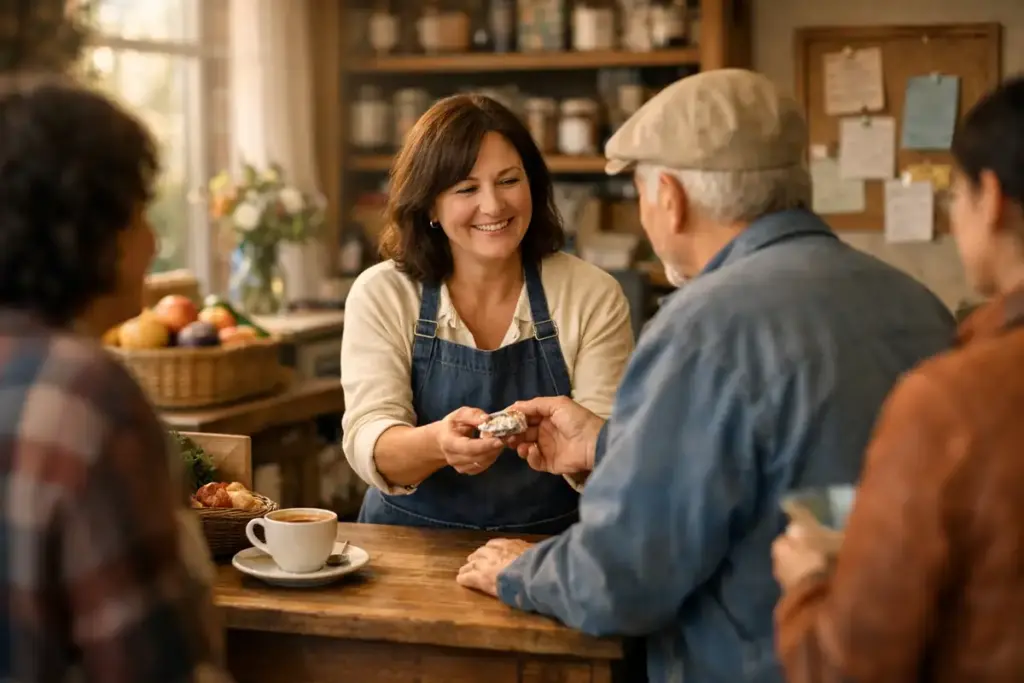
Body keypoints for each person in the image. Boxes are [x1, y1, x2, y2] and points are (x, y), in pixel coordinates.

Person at [456, 69, 957, 683]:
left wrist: (520, 572)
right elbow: (785, 456)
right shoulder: (917, 303)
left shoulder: (704, 325)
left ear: (670, 197)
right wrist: (606, 444)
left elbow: (625, 579)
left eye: (640, 192)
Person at [770, 75, 1024, 683]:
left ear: (989, 198)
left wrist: (806, 584)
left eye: (953, 195)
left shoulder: (952, 400)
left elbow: (845, 667)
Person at [0, 74, 230, 682]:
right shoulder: (84, 396)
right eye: (136, 214)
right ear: (85, 231)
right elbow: (151, 664)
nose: (154, 242)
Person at [341, 94, 634, 533]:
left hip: (549, 552)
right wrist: (437, 444)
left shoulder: (591, 294)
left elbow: (614, 460)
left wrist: (587, 448)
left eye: (509, 180)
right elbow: (370, 439)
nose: (494, 206)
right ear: (429, 206)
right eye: (466, 189)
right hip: (405, 552)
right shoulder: (382, 293)